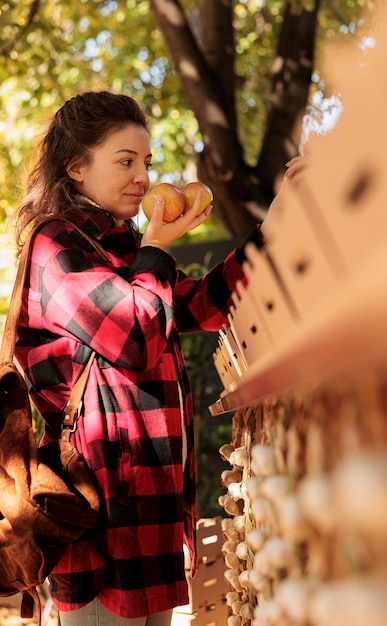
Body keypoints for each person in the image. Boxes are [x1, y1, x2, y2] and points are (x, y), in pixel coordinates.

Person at [13, 90, 308, 626]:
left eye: (145, 163)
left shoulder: (125, 246)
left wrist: (277, 224)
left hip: (154, 511)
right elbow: (134, 336)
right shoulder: (55, 246)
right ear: (76, 166)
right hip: (102, 523)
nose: (143, 178)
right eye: (124, 162)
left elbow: (206, 305)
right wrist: (159, 248)